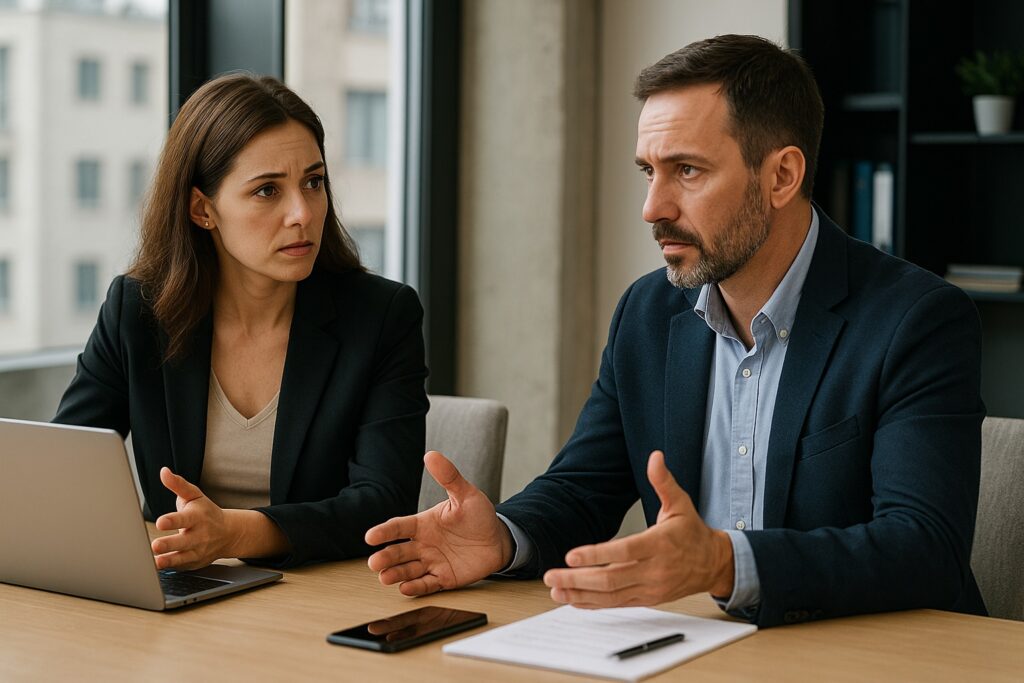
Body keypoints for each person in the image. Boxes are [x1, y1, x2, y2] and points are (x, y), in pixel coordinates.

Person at [365, 35, 987, 628]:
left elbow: (924, 548)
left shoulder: (917, 320)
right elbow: (584, 487)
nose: (653, 208)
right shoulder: (648, 312)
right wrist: (501, 537)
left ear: (781, 176)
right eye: (648, 171)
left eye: (686, 171)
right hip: (702, 648)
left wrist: (722, 563)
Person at [54, 73, 428, 570]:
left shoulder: (381, 317)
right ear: (203, 209)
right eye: (268, 191)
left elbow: (383, 503)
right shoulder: (138, 309)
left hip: (319, 595)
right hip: (180, 587)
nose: (302, 213)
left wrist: (234, 533)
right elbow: (64, 465)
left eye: (313, 182)